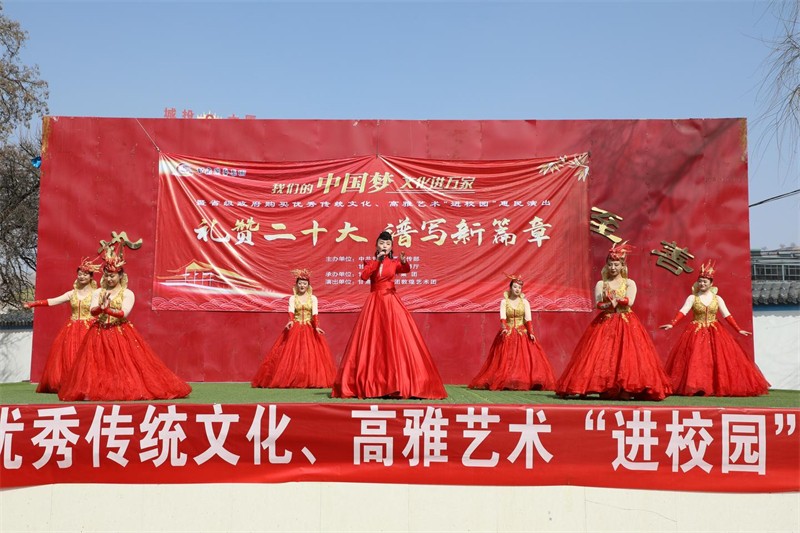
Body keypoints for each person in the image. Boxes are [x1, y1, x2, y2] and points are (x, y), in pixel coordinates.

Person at [58, 247, 191, 401]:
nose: (109, 279)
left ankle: (122, 389)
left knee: (122, 364)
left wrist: (107, 309)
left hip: (119, 331)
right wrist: (101, 308)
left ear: (120, 276)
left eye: (112, 276)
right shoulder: (98, 292)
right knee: (97, 364)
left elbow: (124, 313)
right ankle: (94, 390)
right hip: (98, 331)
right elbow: (93, 311)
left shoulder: (127, 293)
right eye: (107, 276)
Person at [332, 230, 447, 399]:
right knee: (373, 341)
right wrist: (376, 261)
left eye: (387, 244)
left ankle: (399, 382)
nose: (384, 246)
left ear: (391, 247)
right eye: (381, 243)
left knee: (396, 338)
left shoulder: (394, 262)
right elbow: (364, 276)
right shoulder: (370, 261)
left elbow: (405, 269)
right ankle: (373, 383)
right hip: (374, 303)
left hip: (391, 301)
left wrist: (404, 262)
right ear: (376, 245)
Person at [556, 243, 672, 401]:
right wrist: (608, 304)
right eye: (610, 264)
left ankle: (626, 388)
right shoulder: (601, 284)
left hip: (626, 322)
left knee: (628, 356)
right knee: (603, 356)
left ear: (622, 266)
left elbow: (630, 301)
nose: (613, 267)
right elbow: (598, 304)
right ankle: (604, 386)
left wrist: (617, 300)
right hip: (606, 321)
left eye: (616, 265)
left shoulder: (629, 283)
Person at [659, 261, 770, 396]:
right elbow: (683, 311)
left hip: (715, 330)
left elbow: (726, 314)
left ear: (711, 283)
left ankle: (716, 386)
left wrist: (738, 329)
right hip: (696, 330)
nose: (702, 284)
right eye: (700, 281)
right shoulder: (692, 297)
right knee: (696, 359)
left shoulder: (717, 298)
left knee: (717, 360)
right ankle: (696, 386)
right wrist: (672, 324)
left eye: (705, 282)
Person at [252, 269, 336, 388]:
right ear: (296, 285)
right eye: (300, 283)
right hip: (295, 326)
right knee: (291, 356)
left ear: (308, 285)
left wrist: (316, 327)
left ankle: (309, 379)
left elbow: (315, 313)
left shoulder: (313, 298)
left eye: (304, 283)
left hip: (309, 327)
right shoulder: (292, 298)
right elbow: (291, 311)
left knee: (310, 356)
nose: (302, 286)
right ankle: (290, 379)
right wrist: (290, 321)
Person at [469, 275, 555, 391]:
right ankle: (505, 380)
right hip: (508, 332)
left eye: (519, 287)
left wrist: (531, 332)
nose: (517, 289)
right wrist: (504, 328)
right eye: (515, 287)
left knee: (524, 360)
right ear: (510, 288)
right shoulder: (504, 302)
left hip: (521, 332)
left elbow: (528, 319)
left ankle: (523, 381)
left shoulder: (525, 302)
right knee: (505, 360)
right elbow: (503, 317)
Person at [25, 258, 99, 393]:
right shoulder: (72, 293)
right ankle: (71, 384)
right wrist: (33, 304)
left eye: (85, 274)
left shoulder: (97, 293)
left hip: (91, 328)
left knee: (90, 356)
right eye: (80, 274)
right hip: (73, 328)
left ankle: (90, 384)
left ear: (91, 277)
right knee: (70, 356)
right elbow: (53, 301)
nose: (82, 277)